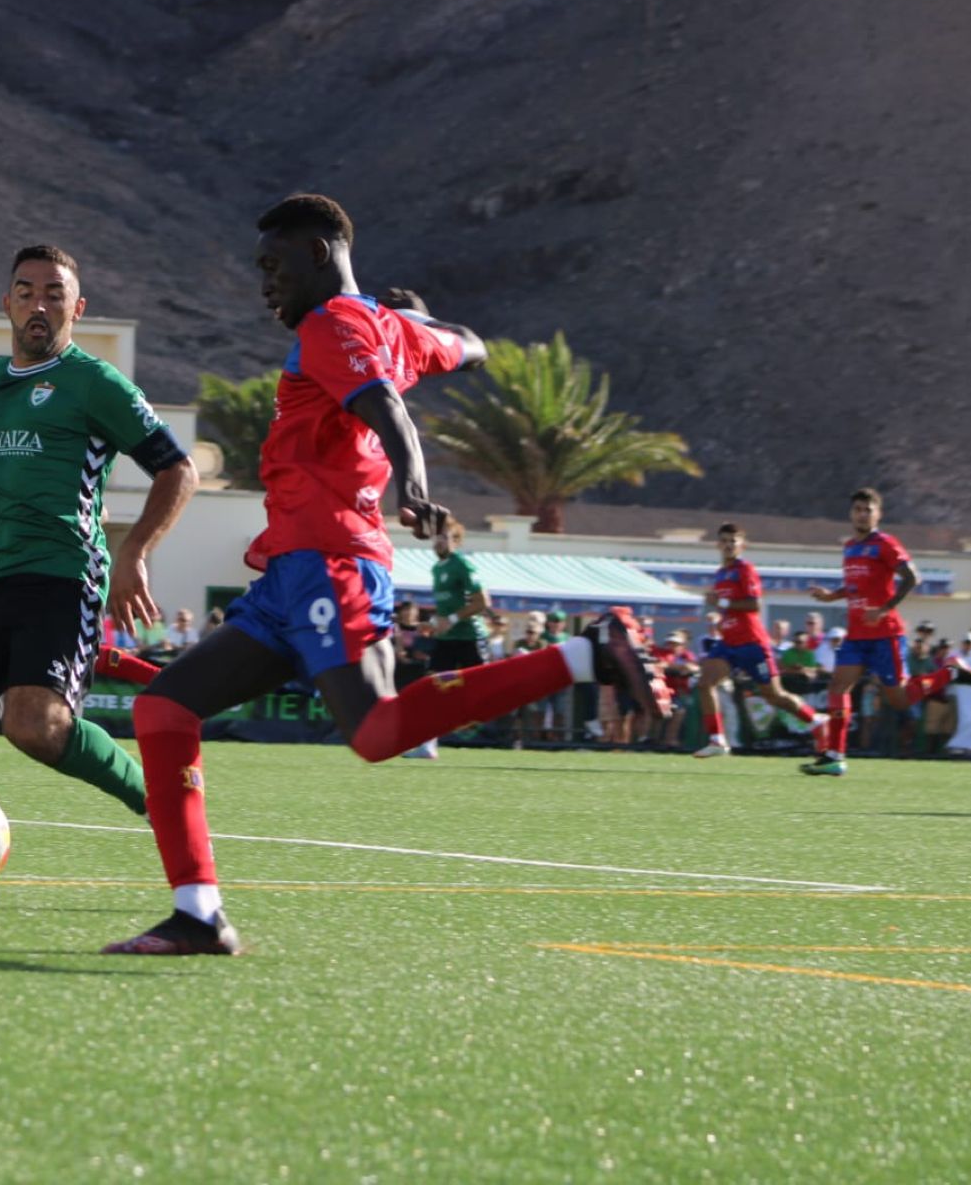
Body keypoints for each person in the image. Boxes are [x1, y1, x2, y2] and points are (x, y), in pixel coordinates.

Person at [104, 195, 660, 955]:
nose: (264, 283)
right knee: (166, 710)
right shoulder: (388, 327)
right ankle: (198, 912)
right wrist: (422, 321)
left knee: (377, 730)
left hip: (331, 562)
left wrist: (415, 482)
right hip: (289, 574)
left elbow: (386, 406)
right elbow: (472, 346)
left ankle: (589, 653)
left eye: (274, 265)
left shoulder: (331, 325)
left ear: (321, 252)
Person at [0, 244, 198, 908]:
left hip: (60, 576)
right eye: (26, 290)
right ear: (6, 301)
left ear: (77, 307)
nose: (39, 304)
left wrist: (135, 553)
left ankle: (160, 802)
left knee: (33, 727)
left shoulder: (95, 383)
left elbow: (178, 469)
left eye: (54, 294)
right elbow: (11, 465)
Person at [800, 488, 971, 775]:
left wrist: (884, 609)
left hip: (885, 634)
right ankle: (835, 755)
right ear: (851, 513)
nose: (862, 514)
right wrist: (830, 596)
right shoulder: (849, 546)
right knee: (838, 687)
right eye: (857, 509)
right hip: (857, 634)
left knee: (899, 699)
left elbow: (912, 578)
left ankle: (950, 672)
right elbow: (854, 587)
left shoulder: (885, 543)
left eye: (867, 509)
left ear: (877, 514)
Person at [693, 523, 827, 758]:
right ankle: (717, 740)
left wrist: (722, 605)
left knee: (774, 696)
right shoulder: (721, 573)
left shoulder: (745, 569)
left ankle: (815, 720)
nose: (728, 545)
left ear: (742, 545)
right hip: (729, 643)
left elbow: (754, 604)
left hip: (753, 644)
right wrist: (720, 615)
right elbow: (729, 608)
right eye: (724, 541)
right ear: (718, 544)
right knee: (705, 683)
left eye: (732, 541)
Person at [410, 519, 493, 759]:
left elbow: (483, 601)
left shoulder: (462, 565)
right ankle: (427, 746)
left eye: (443, 537)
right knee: (433, 688)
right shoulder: (437, 568)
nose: (438, 541)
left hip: (470, 638)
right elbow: (445, 611)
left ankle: (510, 738)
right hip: (447, 639)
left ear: (455, 540)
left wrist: (453, 619)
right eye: (435, 537)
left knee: (482, 690)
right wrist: (434, 624)